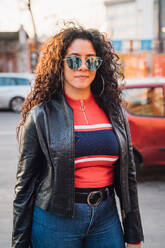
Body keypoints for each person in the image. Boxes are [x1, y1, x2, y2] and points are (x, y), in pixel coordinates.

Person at [12, 23, 144, 248]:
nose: (83, 67)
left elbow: (128, 177)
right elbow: (24, 186)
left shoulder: (115, 112)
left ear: (98, 65)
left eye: (91, 60)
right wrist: (19, 243)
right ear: (59, 65)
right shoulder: (40, 116)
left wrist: (134, 234)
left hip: (106, 218)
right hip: (55, 221)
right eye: (74, 60)